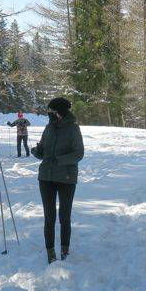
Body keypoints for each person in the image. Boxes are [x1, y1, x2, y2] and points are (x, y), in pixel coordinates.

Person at [31, 97, 84, 264]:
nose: (49, 114)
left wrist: (59, 160)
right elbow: (44, 149)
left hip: (66, 177)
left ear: (60, 112)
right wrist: (38, 151)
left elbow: (78, 153)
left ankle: (65, 249)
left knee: (64, 216)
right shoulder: (49, 128)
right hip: (46, 177)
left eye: (52, 112)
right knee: (49, 216)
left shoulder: (73, 129)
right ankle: (50, 251)